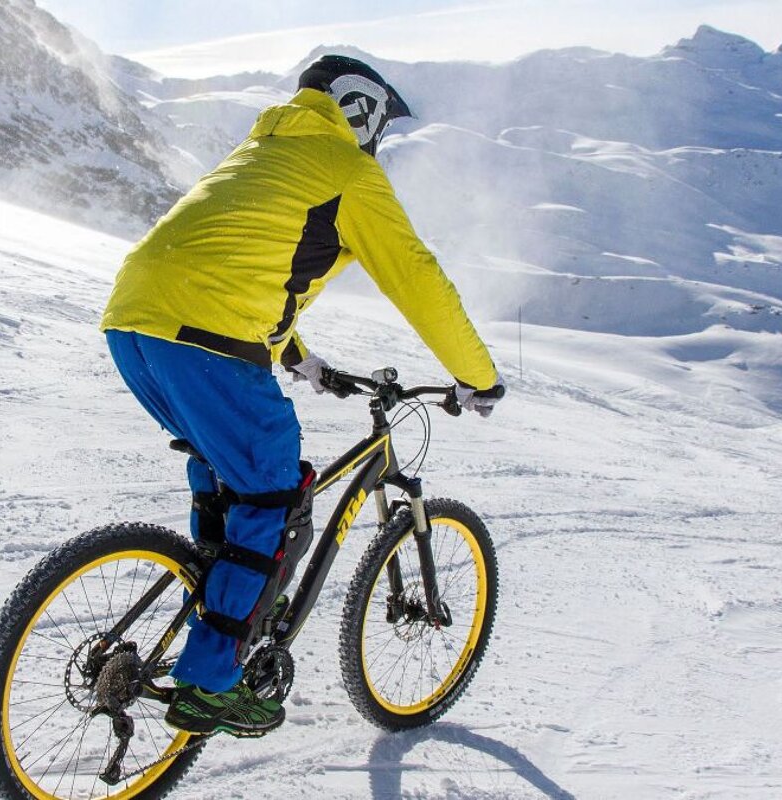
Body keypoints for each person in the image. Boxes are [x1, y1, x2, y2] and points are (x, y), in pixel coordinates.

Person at [99, 54, 505, 737]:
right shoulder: (349, 172)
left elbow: (255, 268)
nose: (380, 139)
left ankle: (214, 596)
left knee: (235, 482)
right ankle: (211, 682)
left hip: (133, 322)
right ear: (362, 109)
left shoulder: (265, 149)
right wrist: (477, 374)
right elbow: (417, 278)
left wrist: (299, 357)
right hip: (207, 337)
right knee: (276, 499)